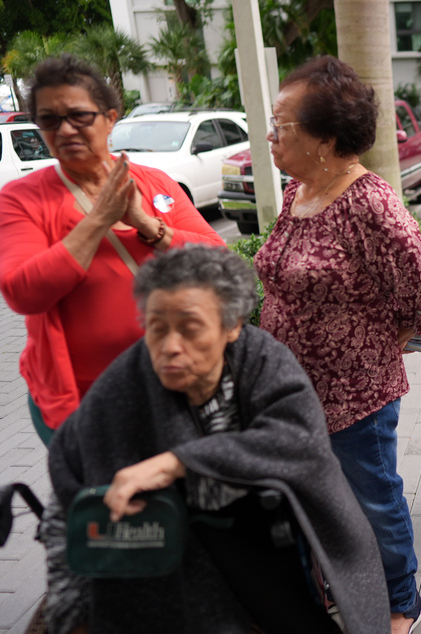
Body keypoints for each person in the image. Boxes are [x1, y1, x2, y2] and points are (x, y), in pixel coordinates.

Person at [43, 245, 389, 633]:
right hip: (173, 551)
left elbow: (298, 442)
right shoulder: (124, 383)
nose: (170, 345)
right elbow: (67, 469)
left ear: (232, 326)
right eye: (156, 327)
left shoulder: (264, 361)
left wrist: (179, 462)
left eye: (190, 328)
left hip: (264, 540)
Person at [253, 56, 421, 634]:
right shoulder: (297, 193)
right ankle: (333, 587)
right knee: (314, 502)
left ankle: (400, 603)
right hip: (289, 392)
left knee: (374, 501)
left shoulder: (371, 204)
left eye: (281, 124)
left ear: (325, 138)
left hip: (355, 399)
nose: (270, 134)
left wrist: (375, 342)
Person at [0, 54, 222, 445]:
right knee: (108, 501)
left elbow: (219, 261)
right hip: (82, 400)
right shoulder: (20, 199)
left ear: (110, 118)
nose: (66, 129)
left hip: (177, 382)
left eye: (80, 116)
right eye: (50, 119)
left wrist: (147, 225)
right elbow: (22, 290)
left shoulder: (154, 182)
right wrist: (99, 219)